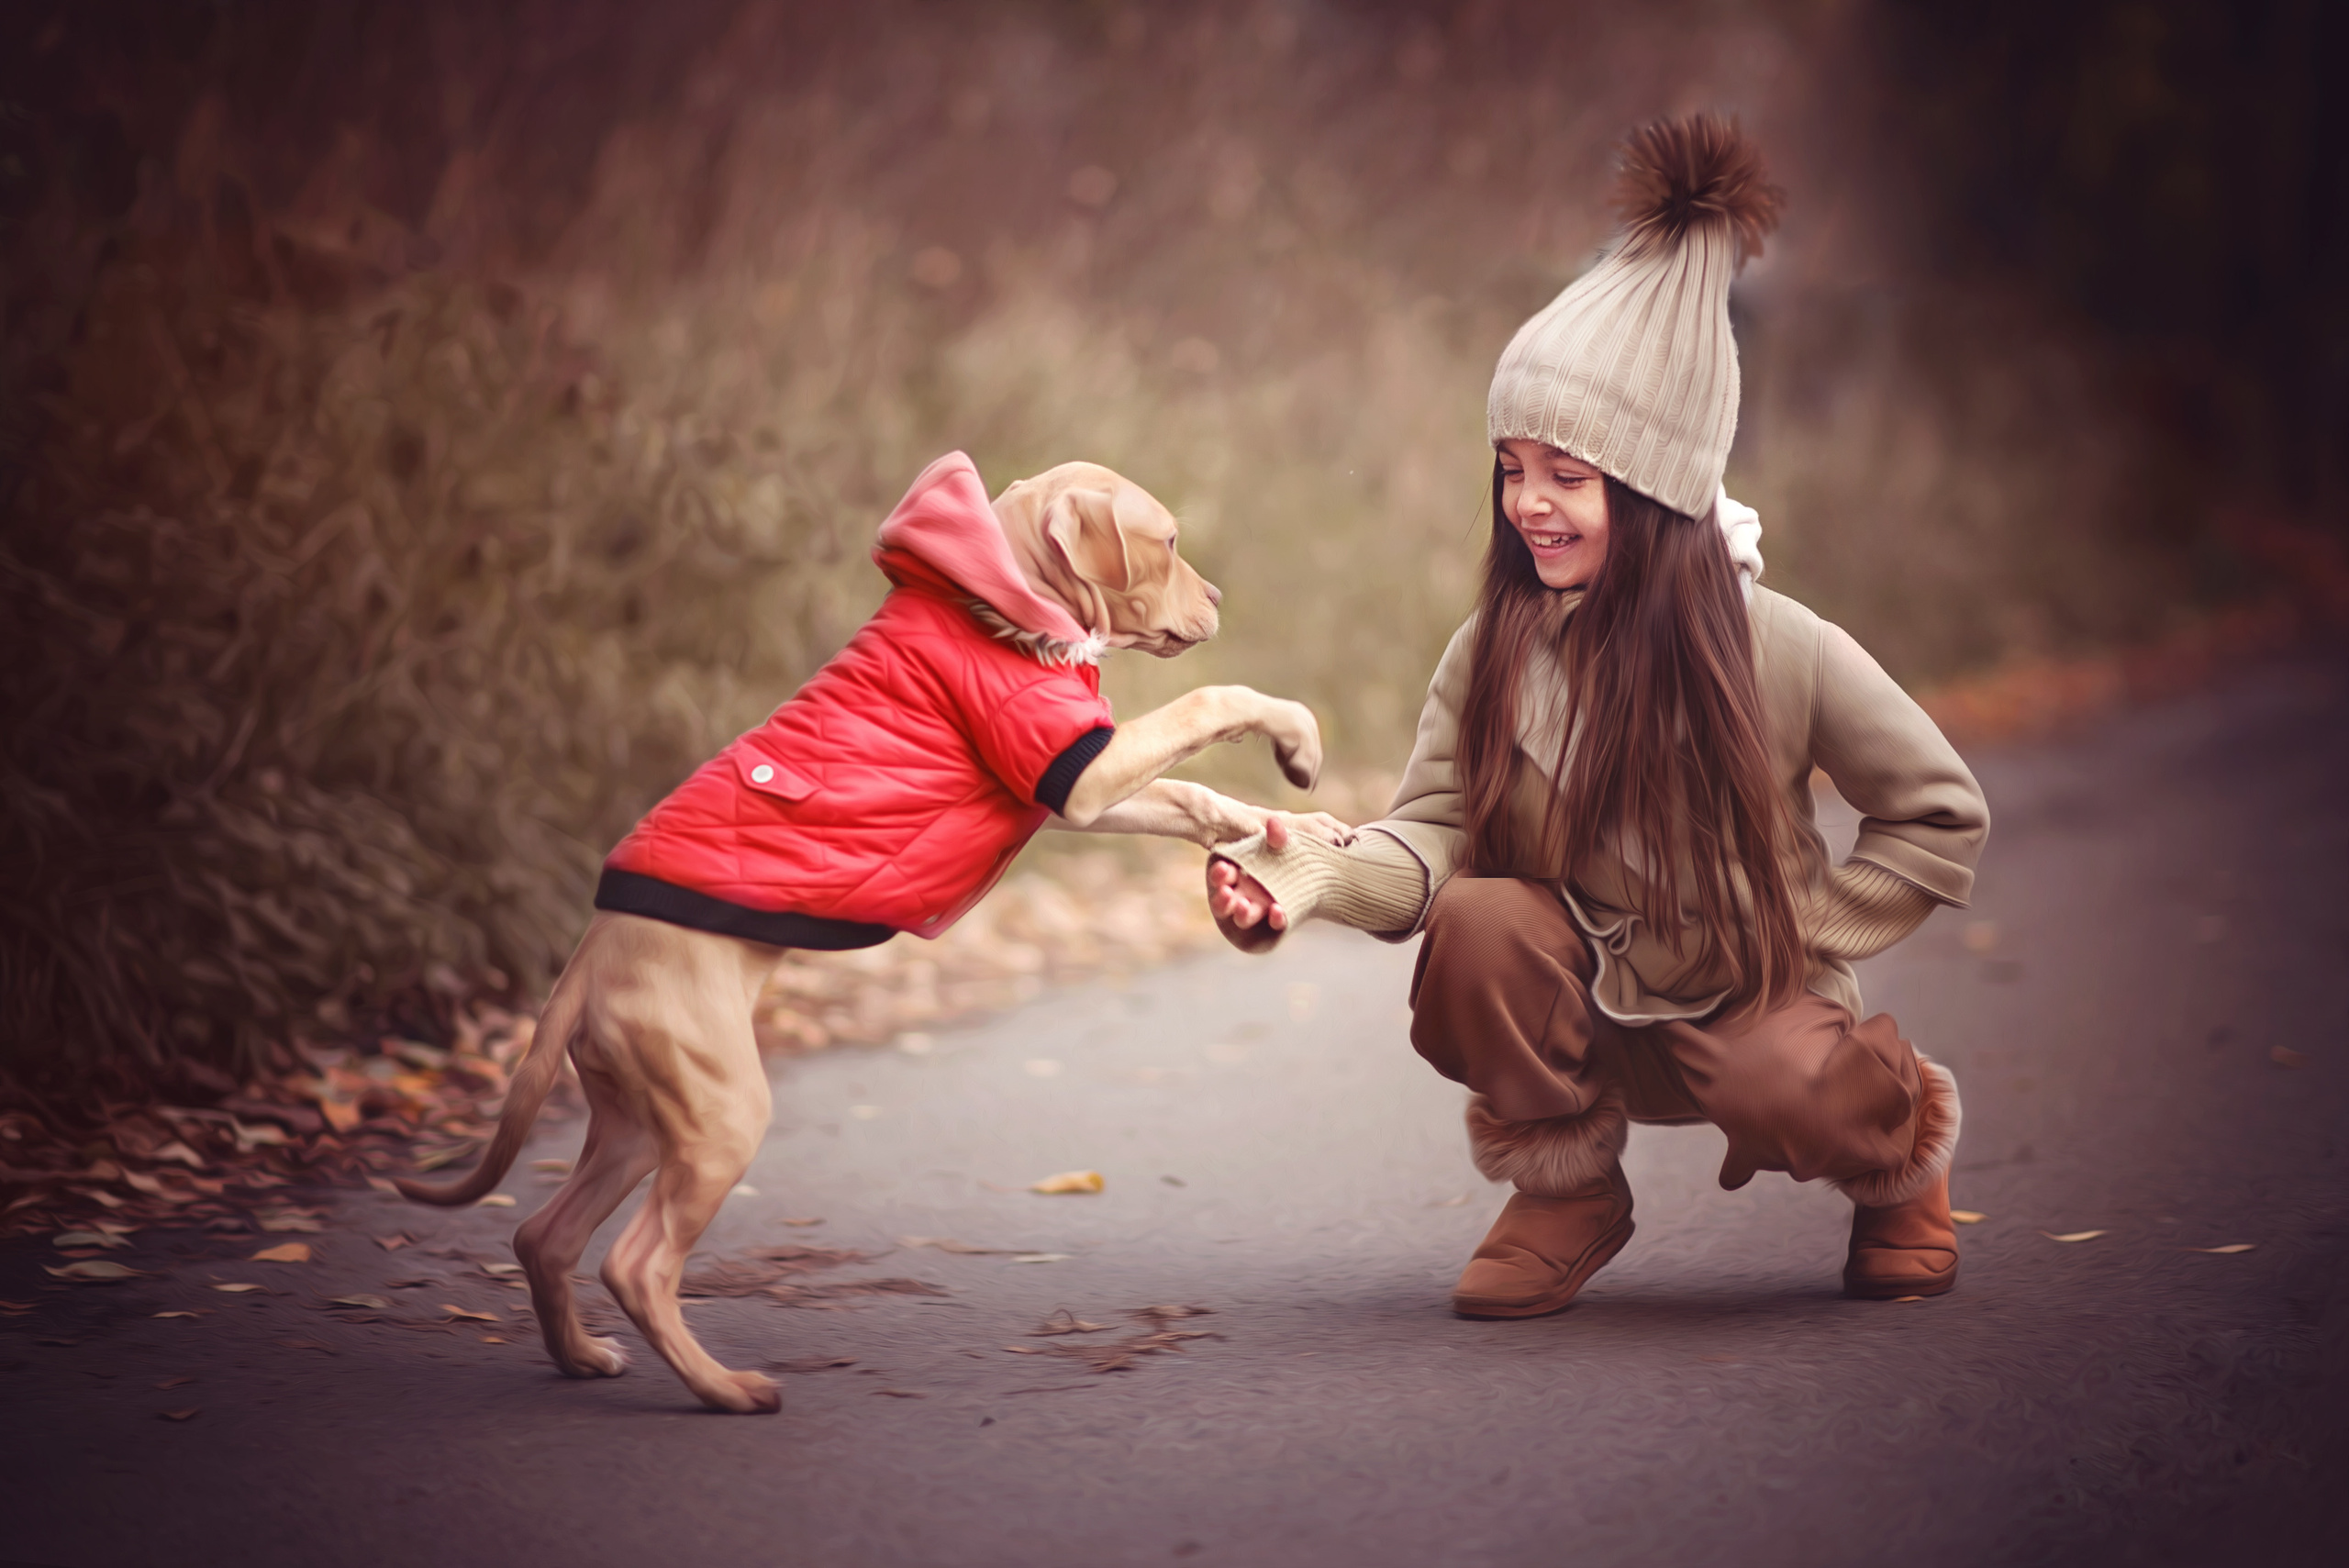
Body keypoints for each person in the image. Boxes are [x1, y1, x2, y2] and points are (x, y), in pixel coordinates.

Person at [1206, 114, 1990, 1318]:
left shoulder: (1780, 648)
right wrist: (1306, 874)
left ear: (1660, 489)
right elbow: (1432, 836)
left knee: (1798, 1081)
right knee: (1476, 923)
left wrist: (1809, 921)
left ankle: (1900, 1152)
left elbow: (1938, 809)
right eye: (1513, 469)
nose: (1529, 503)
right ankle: (1566, 1189)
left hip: (1747, 998)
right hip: (1575, 999)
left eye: (1567, 477)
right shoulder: (1497, 647)